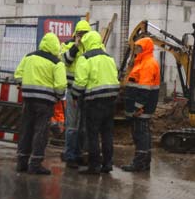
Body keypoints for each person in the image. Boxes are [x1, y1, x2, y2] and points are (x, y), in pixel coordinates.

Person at [14, 32, 67, 175]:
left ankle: (22, 162)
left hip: (28, 99)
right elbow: (61, 86)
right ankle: (35, 163)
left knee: (26, 130)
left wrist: (23, 85)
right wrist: (59, 96)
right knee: (40, 132)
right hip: (45, 103)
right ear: (55, 46)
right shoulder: (57, 63)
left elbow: (18, 75)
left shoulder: (29, 57)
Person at [72, 31, 120, 174]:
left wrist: (74, 96)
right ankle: (107, 163)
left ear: (86, 43)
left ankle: (94, 166)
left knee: (92, 134)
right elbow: (115, 77)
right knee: (107, 134)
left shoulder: (85, 58)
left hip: (94, 102)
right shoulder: (109, 58)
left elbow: (80, 83)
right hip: (111, 100)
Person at [122, 37, 161, 172]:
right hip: (141, 107)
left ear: (146, 49)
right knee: (142, 134)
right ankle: (144, 163)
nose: (137, 50)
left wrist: (138, 107)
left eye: (139, 47)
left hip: (142, 108)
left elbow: (144, 90)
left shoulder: (148, 64)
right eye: (136, 47)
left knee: (141, 135)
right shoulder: (141, 63)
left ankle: (139, 163)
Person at [61, 20, 91, 168]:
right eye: (80, 34)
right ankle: (70, 155)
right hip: (72, 90)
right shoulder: (68, 45)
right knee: (72, 125)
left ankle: (79, 153)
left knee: (83, 126)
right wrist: (76, 46)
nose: (82, 37)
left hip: (86, 92)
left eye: (85, 34)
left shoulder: (91, 47)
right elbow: (64, 61)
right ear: (75, 34)